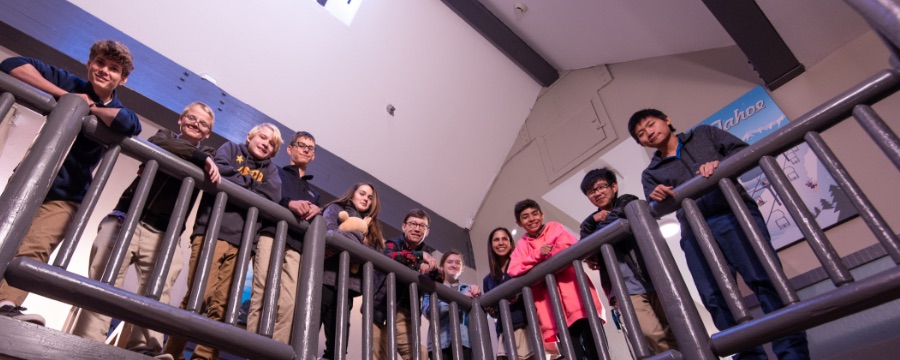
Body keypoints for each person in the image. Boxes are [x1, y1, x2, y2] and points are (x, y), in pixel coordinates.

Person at [629, 108, 809, 359]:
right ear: (640, 142)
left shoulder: (703, 134)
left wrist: (720, 164)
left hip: (734, 214)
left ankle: (792, 355)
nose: (648, 133)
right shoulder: (651, 173)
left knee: (767, 281)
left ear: (667, 120)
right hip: (694, 230)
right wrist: (656, 196)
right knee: (715, 298)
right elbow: (652, 205)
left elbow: (742, 151)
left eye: (650, 124)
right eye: (641, 133)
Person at [0, 40, 142, 325]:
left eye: (114, 69)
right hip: (29, 180)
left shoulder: (118, 108)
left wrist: (90, 110)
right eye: (100, 63)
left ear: (123, 79)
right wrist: (68, 98)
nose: (104, 71)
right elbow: (10, 65)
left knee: (35, 248)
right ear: (89, 63)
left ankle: (5, 305)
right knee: (4, 238)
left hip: (67, 194)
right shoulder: (71, 82)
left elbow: (130, 124)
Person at [67, 102, 219, 358]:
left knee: (160, 288)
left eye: (203, 124)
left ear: (206, 134)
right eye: (192, 118)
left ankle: (146, 349)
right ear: (180, 120)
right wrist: (199, 158)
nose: (196, 124)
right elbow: (158, 144)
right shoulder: (164, 136)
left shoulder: (210, 154)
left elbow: (212, 164)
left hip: (165, 232)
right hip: (126, 217)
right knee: (105, 280)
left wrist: (202, 158)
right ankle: (87, 344)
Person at [163, 123, 283, 360]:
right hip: (211, 231)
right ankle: (172, 353)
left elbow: (272, 196)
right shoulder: (231, 149)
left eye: (271, 144)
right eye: (262, 137)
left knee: (223, 305)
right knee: (200, 294)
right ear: (250, 135)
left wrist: (241, 184)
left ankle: (203, 357)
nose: (265, 144)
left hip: (243, 242)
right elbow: (220, 169)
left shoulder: (271, 171)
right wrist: (251, 187)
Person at [579, 168, 677, 354]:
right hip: (625, 288)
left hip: (653, 277)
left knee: (678, 325)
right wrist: (591, 220)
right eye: (591, 191)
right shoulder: (592, 223)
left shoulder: (627, 201)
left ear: (614, 187)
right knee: (650, 333)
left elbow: (615, 222)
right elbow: (583, 248)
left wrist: (592, 223)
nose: (597, 193)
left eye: (601, 187)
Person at [246, 130, 320, 344]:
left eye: (310, 147)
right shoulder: (274, 171)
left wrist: (318, 212)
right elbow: (264, 195)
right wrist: (289, 204)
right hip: (270, 235)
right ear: (290, 149)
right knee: (261, 293)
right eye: (301, 145)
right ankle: (252, 352)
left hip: (297, 246)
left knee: (288, 303)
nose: (305, 149)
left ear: (313, 156)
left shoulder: (315, 194)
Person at [507, 199, 605, 360]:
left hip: (580, 299)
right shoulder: (522, 245)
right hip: (554, 310)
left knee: (597, 351)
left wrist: (536, 264)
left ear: (542, 215)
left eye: (535, 214)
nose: (531, 219)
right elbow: (513, 270)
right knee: (574, 354)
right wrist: (538, 254)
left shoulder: (555, 227)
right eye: (525, 217)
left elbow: (567, 246)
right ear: (519, 223)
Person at [319, 182, 386, 360]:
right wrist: (359, 238)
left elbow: (377, 256)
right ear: (352, 194)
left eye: (370, 197)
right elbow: (330, 233)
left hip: (347, 289)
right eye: (362, 194)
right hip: (322, 280)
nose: (366, 199)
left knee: (338, 350)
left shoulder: (373, 227)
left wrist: (349, 236)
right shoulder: (336, 208)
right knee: (305, 335)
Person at [375, 209, 443, 360]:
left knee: (420, 355)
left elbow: (440, 279)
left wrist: (431, 269)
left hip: (406, 314)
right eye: (413, 224)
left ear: (427, 232)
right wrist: (418, 256)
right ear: (404, 227)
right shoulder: (393, 243)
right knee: (377, 356)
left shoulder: (428, 253)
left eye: (422, 226)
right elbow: (389, 257)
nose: (417, 229)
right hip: (380, 306)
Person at [482, 227, 534, 360]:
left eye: (505, 239)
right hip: (504, 329)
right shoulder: (488, 280)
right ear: (491, 245)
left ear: (511, 243)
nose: (501, 243)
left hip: (525, 324)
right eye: (496, 240)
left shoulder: (521, 265)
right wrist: (490, 309)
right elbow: (494, 312)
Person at [422, 250, 480, 360]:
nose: (454, 265)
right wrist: (460, 300)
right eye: (450, 262)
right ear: (442, 267)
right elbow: (429, 311)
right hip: (439, 344)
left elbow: (479, 317)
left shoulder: (470, 289)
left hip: (465, 343)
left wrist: (477, 298)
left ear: (462, 268)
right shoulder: (431, 287)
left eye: (458, 263)